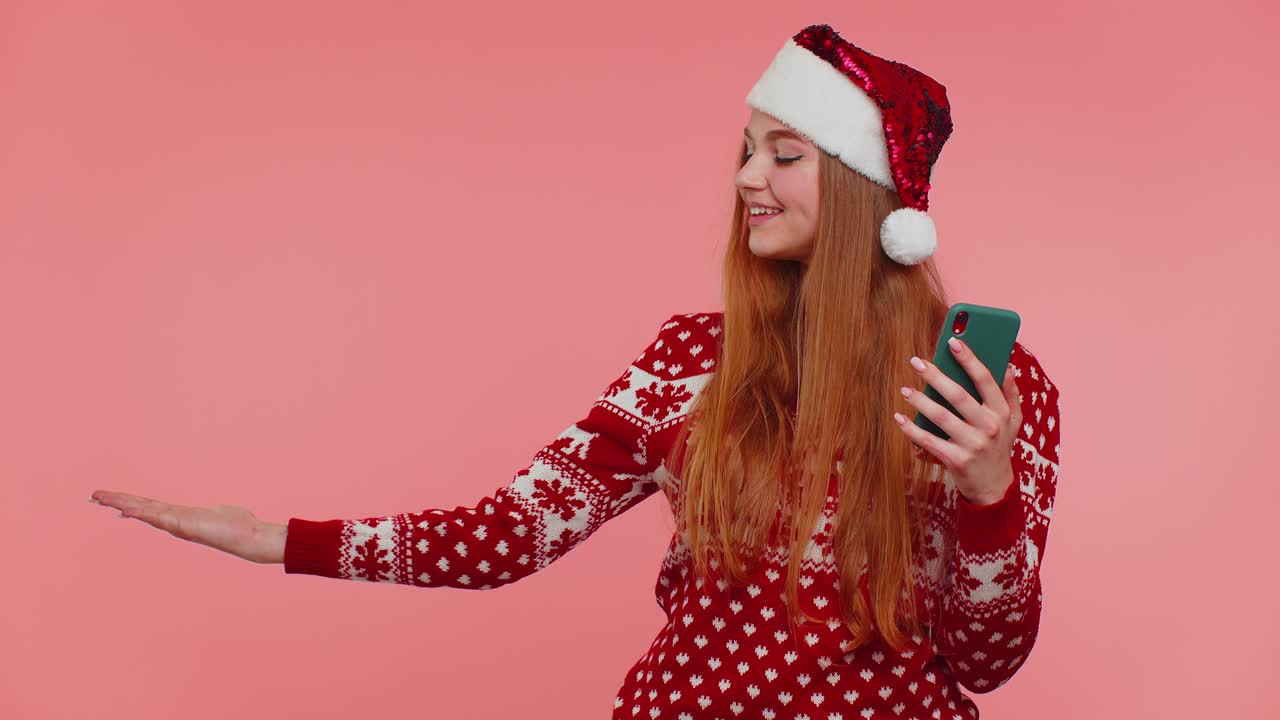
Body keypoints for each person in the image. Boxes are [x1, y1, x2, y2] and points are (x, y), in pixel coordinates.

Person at [90, 23, 1061, 719]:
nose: (743, 179)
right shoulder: (691, 359)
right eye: (743, 151)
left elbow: (984, 663)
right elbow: (510, 532)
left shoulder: (998, 390)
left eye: (782, 154)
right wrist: (273, 539)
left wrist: (986, 494)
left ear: (862, 190)